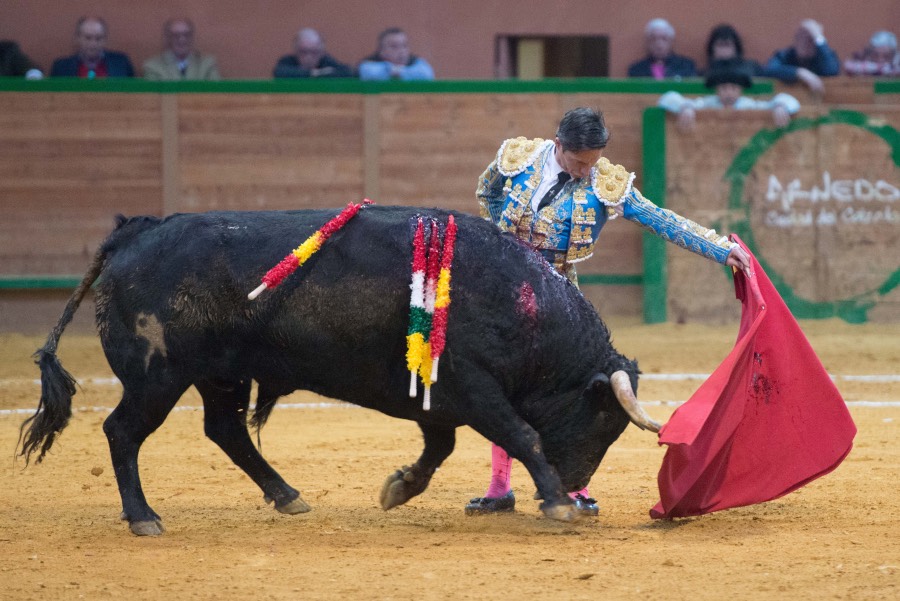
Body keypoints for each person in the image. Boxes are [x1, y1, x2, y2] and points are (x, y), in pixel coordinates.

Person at [469, 107, 751, 517]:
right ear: (559, 145)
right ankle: (499, 488)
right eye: (579, 161)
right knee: (504, 383)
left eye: (593, 162)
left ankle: (575, 485)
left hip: (560, 294)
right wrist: (503, 243)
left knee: (571, 389)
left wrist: (721, 249)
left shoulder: (607, 183)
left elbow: (660, 219)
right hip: (508, 289)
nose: (586, 171)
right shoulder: (518, 158)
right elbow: (488, 192)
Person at [658, 59, 801, 130]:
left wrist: (780, 105)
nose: (728, 92)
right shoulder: (707, 104)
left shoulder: (749, 106)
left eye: (733, 87)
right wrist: (685, 106)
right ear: (717, 90)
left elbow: (792, 102)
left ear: (740, 90)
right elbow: (666, 98)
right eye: (724, 88)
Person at [765, 19, 840, 94]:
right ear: (796, 39)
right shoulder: (784, 55)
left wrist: (818, 38)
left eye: (810, 39)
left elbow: (832, 71)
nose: (805, 44)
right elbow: (768, 70)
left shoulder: (824, 56)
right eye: (802, 38)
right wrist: (799, 72)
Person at [50, 16, 134, 78]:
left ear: (105, 39)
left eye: (98, 38)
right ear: (77, 38)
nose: (93, 44)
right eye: (88, 38)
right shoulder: (61, 67)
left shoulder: (121, 63)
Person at [143, 18, 220, 80]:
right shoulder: (153, 66)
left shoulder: (207, 64)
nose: (182, 40)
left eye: (186, 35)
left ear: (192, 37)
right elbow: (153, 98)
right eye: (176, 35)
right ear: (167, 38)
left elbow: (216, 95)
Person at [627, 18, 696, 79]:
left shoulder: (686, 66)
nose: (659, 44)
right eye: (654, 39)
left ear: (671, 41)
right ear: (648, 42)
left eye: (664, 39)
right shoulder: (636, 69)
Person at [358, 27, 434, 81]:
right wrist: (394, 70)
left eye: (404, 46)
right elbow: (369, 74)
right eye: (394, 46)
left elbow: (427, 75)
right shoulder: (370, 62)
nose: (401, 51)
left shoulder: (415, 61)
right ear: (381, 51)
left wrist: (398, 71)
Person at [273, 28, 353, 78]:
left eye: (314, 52)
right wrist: (315, 73)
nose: (309, 57)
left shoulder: (326, 61)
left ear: (322, 52)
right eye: (303, 52)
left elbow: (348, 72)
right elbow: (279, 72)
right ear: (295, 51)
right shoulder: (287, 61)